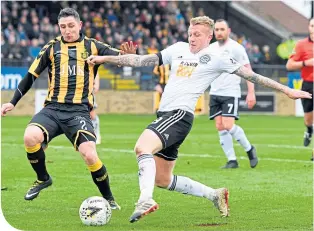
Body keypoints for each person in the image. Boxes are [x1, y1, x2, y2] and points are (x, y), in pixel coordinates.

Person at [86, 16, 311, 223]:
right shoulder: (178, 49)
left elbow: (251, 75)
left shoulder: (218, 58)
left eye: (197, 35)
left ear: (209, 36)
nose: (192, 38)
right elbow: (142, 61)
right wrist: (104, 58)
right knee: (163, 179)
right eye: (190, 33)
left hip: (179, 115)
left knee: (141, 147)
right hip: (166, 116)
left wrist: (288, 91)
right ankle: (214, 194)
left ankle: (145, 200)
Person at [1, 8, 136, 209]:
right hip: (52, 109)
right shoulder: (51, 48)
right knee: (30, 137)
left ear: (80, 25)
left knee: (90, 154)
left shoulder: (93, 46)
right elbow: (30, 76)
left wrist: (128, 57)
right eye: (63, 27)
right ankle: (43, 178)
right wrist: (12, 102)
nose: (67, 30)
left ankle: (109, 198)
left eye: (71, 26)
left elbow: (122, 58)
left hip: (79, 111)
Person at [209, 19, 257, 169]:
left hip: (230, 92)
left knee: (228, 125)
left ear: (228, 31)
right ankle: (232, 160)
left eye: (222, 29)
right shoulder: (210, 49)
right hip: (214, 92)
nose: (219, 32)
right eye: (216, 29)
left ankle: (249, 149)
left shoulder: (236, 48)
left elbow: (248, 71)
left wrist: (251, 92)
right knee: (219, 126)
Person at [286, 18, 314, 160]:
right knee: (308, 120)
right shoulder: (301, 45)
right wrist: (306, 63)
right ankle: (309, 130)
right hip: (308, 85)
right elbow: (289, 65)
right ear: (309, 27)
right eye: (312, 25)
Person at [90, 74, 101, 145]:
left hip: (88, 89)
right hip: (78, 88)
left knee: (91, 113)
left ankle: (96, 134)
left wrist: (96, 85)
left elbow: (96, 72)